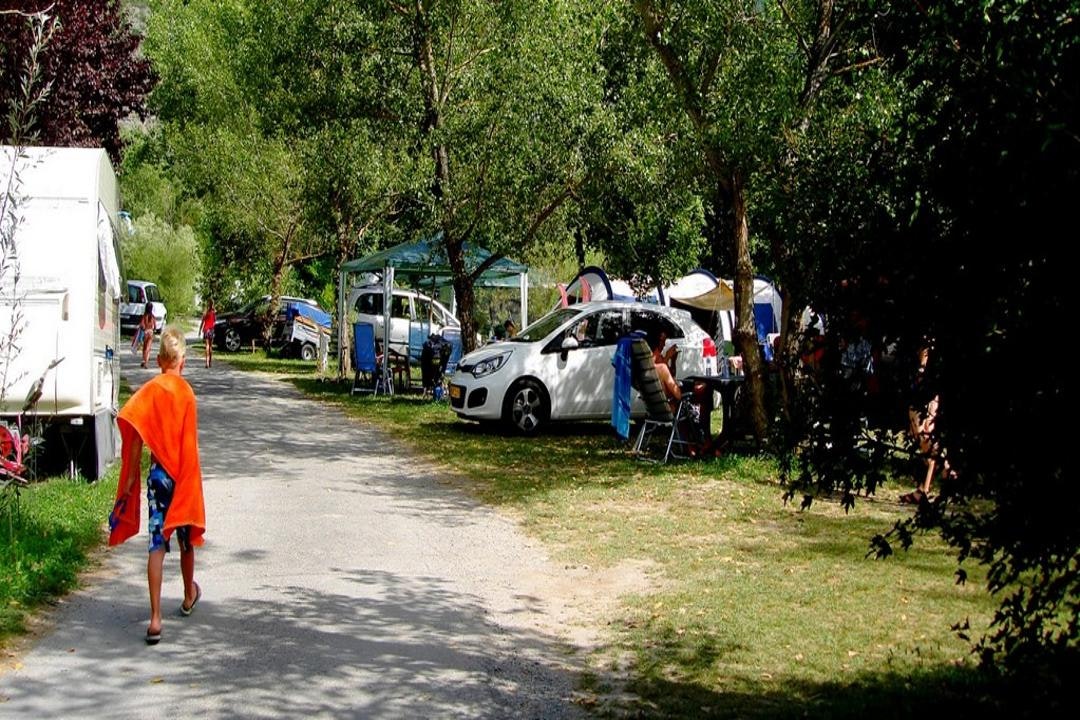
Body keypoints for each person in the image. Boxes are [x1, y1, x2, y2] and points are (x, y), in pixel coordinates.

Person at [108, 326, 206, 644]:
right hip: (181, 477)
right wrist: (192, 486)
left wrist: (132, 475)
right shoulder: (187, 394)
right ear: (182, 361)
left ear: (161, 359)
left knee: (156, 544)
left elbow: (132, 423)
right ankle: (189, 596)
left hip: (158, 478)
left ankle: (154, 618)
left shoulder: (151, 389)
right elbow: (189, 446)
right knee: (185, 539)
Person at [900, 339, 951, 504]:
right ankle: (932, 488)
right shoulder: (921, 368)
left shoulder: (930, 370)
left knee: (930, 450)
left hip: (925, 408)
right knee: (930, 452)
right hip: (920, 408)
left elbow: (927, 389)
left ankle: (925, 489)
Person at [138, 302, 156, 369]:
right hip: (151, 333)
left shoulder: (144, 316)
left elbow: (142, 324)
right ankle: (146, 362)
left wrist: (143, 328)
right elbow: (155, 326)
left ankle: (144, 361)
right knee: (148, 348)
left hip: (145, 333)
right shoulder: (152, 316)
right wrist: (153, 329)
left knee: (144, 348)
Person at [200, 300, 216, 368]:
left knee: (207, 346)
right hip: (211, 330)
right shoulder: (214, 312)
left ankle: (206, 362)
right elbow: (214, 322)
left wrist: (200, 330)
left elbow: (202, 322)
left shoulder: (205, 313)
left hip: (206, 330)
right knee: (211, 347)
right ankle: (210, 362)